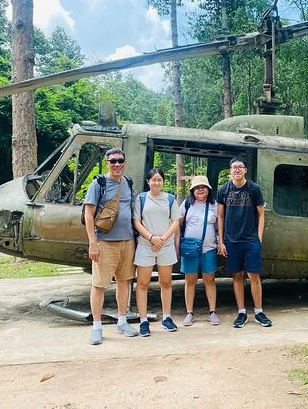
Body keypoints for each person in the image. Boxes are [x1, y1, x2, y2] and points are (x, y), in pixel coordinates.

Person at [83, 148, 138, 345]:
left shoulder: (128, 182)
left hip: (127, 241)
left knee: (124, 281)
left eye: (120, 161)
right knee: (99, 284)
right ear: (107, 163)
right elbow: (88, 213)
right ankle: (97, 326)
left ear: (124, 162)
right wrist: (93, 243)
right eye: (113, 161)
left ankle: (122, 321)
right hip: (105, 242)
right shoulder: (99, 184)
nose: (117, 164)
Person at [217, 156, 272, 328]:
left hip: (250, 240)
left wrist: (259, 238)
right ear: (230, 170)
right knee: (237, 276)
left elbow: (261, 214)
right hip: (232, 240)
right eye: (234, 167)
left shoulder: (253, 188)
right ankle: (241, 312)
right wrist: (221, 241)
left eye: (240, 167)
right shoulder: (223, 190)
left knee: (254, 275)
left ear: (245, 170)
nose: (237, 170)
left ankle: (259, 312)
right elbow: (220, 216)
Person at [133, 168, 181, 336]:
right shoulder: (141, 199)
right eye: (153, 180)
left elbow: (175, 222)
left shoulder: (170, 199)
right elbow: (136, 222)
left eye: (159, 179)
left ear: (163, 181)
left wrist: (162, 239)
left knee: (166, 283)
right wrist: (152, 238)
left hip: (165, 246)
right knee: (142, 284)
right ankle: (143, 320)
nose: (156, 183)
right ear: (148, 181)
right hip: (145, 246)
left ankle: (166, 317)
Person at [179, 175, 219, 326]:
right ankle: (189, 312)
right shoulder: (187, 204)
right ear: (192, 190)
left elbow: (219, 226)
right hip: (190, 249)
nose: (200, 190)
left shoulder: (215, 205)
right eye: (197, 187)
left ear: (208, 189)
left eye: (203, 187)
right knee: (190, 280)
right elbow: (178, 224)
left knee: (210, 280)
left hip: (209, 248)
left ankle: (212, 312)